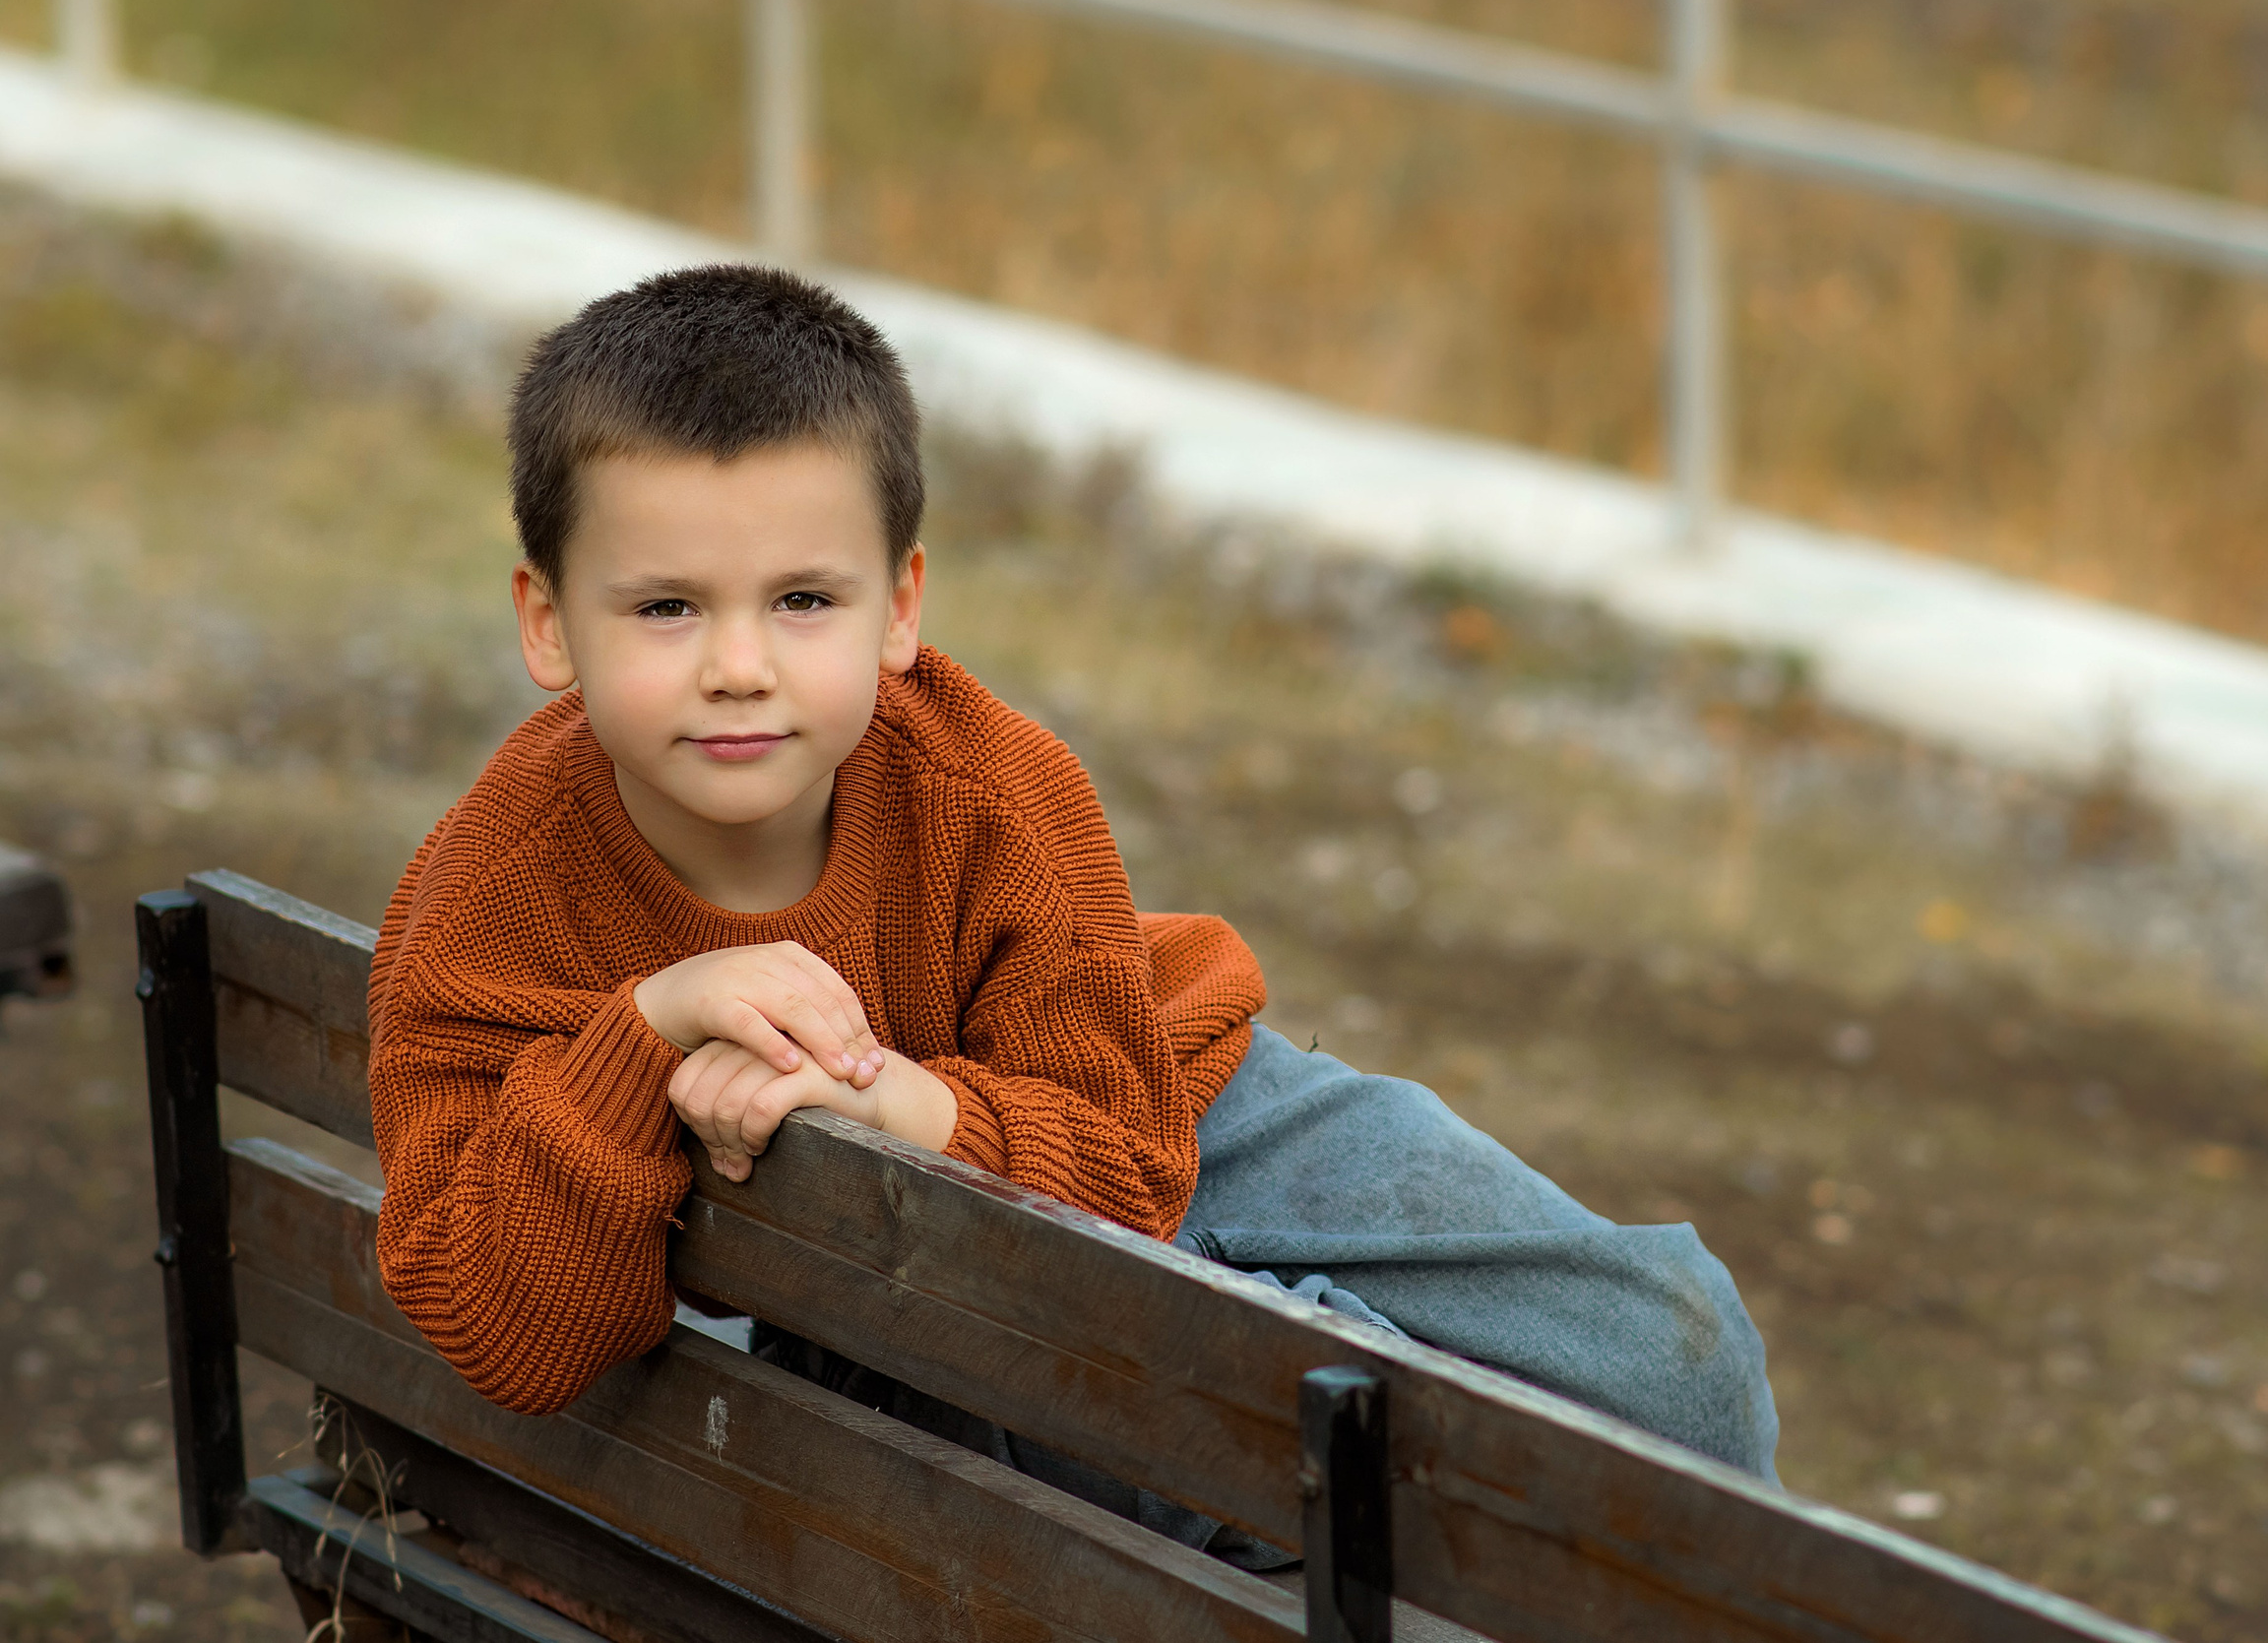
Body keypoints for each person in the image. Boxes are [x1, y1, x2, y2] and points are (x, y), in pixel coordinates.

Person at [365, 265, 1780, 1554]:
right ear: (547, 621)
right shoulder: (494, 900)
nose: (741, 665)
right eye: (665, 608)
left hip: (1169, 1095)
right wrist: (647, 1032)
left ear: (899, 608)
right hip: (901, 1303)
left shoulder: (992, 786)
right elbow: (496, 1328)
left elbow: (1129, 1169)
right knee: (1347, 1461)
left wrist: (897, 1107)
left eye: (804, 598)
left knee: (1682, 1360)